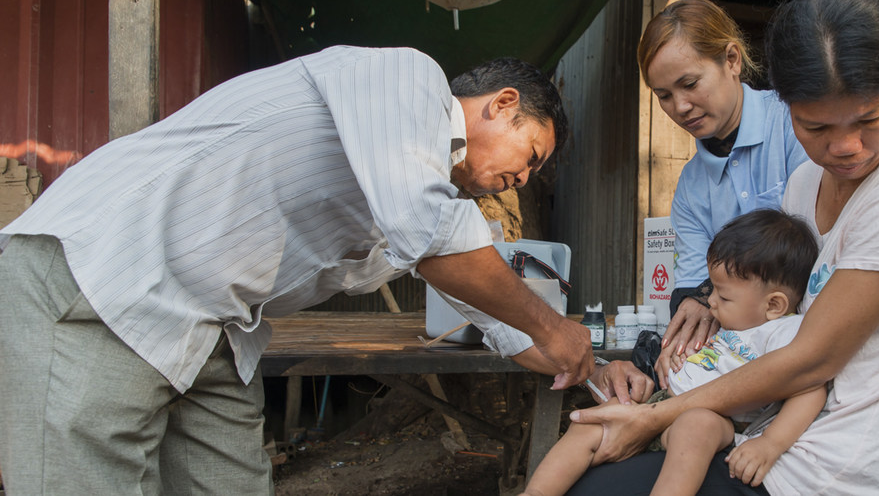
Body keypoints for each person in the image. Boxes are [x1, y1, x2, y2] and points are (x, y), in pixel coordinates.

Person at [0, 46, 651, 494]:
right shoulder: (407, 81)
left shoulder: (428, 196)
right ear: (502, 105)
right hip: (105, 278)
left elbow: (492, 306)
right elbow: (436, 240)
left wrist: (587, 363)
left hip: (209, 329)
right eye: (531, 154)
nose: (524, 176)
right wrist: (550, 325)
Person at [564, 0, 879, 495]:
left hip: (832, 469)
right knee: (592, 471)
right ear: (788, 104)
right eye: (815, 127)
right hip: (765, 434)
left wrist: (659, 415)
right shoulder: (804, 184)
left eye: (868, 119)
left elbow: (814, 358)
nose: (844, 147)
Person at [523, 209, 824, 496]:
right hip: (664, 403)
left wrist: (771, 443)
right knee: (591, 422)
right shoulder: (737, 320)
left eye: (724, 295)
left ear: (774, 305)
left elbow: (809, 389)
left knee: (695, 427)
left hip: (719, 418)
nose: (712, 302)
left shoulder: (785, 331)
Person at [635, 0, 810, 383]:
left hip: (815, 342)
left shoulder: (797, 125)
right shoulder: (691, 186)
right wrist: (683, 333)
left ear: (731, 59)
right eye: (663, 95)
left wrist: (707, 297)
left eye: (690, 83)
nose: (680, 106)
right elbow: (693, 283)